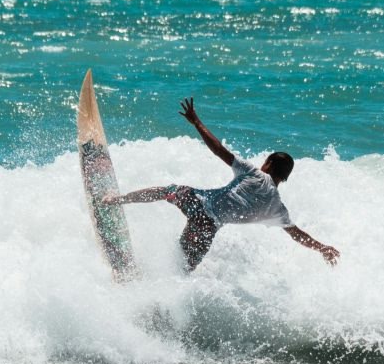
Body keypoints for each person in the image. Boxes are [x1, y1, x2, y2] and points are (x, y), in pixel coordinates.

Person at [104, 98, 340, 272]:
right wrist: (322, 248)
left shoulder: (254, 173)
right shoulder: (277, 209)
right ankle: (158, 297)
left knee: (168, 191)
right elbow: (297, 235)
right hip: (207, 229)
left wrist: (196, 122)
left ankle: (117, 199)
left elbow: (219, 150)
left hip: (198, 204)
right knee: (182, 269)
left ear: (267, 164)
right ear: (285, 177)